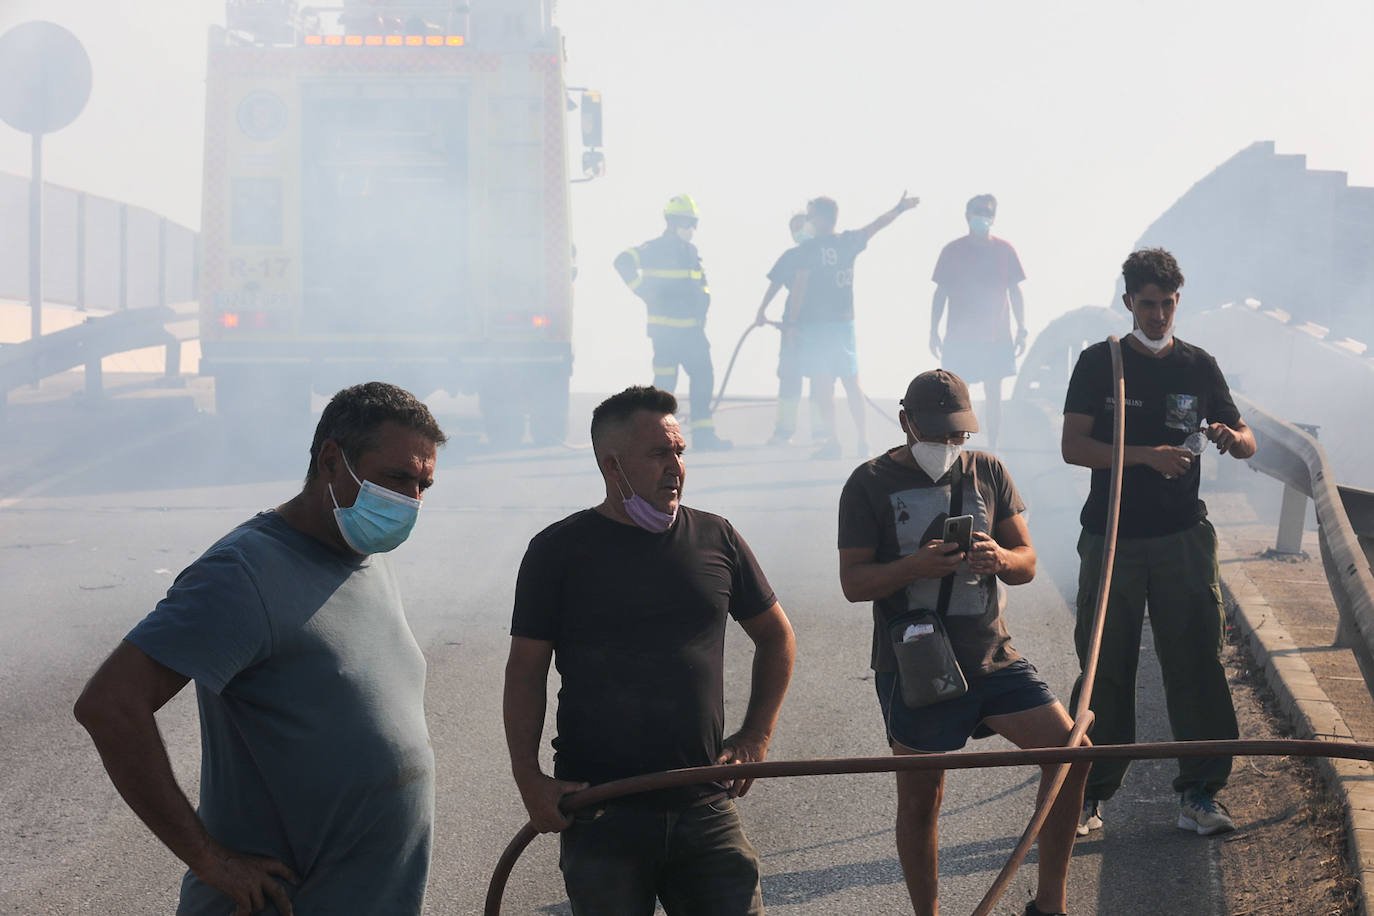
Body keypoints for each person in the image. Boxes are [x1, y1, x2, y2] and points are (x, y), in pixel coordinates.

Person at [73, 381, 448, 915]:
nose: (410, 502)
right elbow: (110, 706)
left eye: (422, 485)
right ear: (330, 460)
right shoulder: (244, 571)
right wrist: (209, 859)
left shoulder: (364, 554)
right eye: (396, 478)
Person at [504, 385, 796, 915]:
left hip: (704, 803)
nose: (676, 466)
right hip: (601, 813)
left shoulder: (716, 537)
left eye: (679, 452)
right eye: (659, 453)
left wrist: (756, 735)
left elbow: (776, 636)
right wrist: (531, 781)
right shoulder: (557, 551)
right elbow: (526, 672)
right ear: (611, 465)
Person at [838, 369, 1088, 916]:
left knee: (1071, 754)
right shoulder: (867, 483)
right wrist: (914, 566)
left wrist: (999, 559)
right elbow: (854, 584)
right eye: (935, 436)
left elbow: (1026, 561)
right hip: (917, 665)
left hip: (991, 655)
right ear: (905, 423)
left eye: (957, 436)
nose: (947, 448)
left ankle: (1051, 904)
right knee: (922, 797)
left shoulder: (989, 471)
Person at [1062, 248, 1257, 838]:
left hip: (1181, 539)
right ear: (1128, 303)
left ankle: (1199, 794)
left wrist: (1231, 436)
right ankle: (1088, 796)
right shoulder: (1102, 363)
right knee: (1104, 670)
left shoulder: (1199, 366)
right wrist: (1146, 457)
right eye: (1146, 304)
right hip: (1112, 537)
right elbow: (1074, 447)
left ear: (1178, 301)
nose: (1157, 315)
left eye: (1167, 304)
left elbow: (1247, 441)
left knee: (1197, 662)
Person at [792, 191, 920, 460]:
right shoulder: (849, 241)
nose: (808, 222)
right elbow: (876, 225)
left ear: (824, 219)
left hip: (819, 327)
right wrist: (899, 208)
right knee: (851, 383)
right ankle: (862, 441)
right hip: (843, 326)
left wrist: (792, 322)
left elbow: (800, 287)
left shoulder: (809, 249)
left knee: (824, 385)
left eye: (812, 216)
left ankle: (835, 441)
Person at [614, 194, 732, 450]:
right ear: (670, 221)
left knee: (703, 378)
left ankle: (703, 436)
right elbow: (622, 261)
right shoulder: (655, 249)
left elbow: (700, 287)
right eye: (685, 222)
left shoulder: (690, 251)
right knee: (665, 387)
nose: (690, 229)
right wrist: (644, 290)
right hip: (667, 332)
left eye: (693, 223)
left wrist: (703, 308)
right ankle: (655, 437)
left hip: (692, 332)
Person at [929, 194, 1028, 451]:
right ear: (967, 216)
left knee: (994, 394)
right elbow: (940, 292)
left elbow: (1015, 291)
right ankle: (957, 446)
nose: (981, 217)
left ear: (993, 218)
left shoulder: (1004, 250)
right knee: (958, 396)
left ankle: (993, 447)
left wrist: (1022, 328)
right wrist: (933, 330)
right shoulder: (952, 251)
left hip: (996, 336)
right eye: (976, 212)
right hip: (960, 338)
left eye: (986, 212)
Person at [754, 213, 819, 445]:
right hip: (792, 326)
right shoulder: (791, 256)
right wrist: (761, 310)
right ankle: (784, 431)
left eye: (801, 226)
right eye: (794, 229)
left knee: (820, 378)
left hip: (818, 325)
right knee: (789, 375)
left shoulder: (823, 255)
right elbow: (775, 283)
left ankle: (820, 434)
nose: (798, 232)